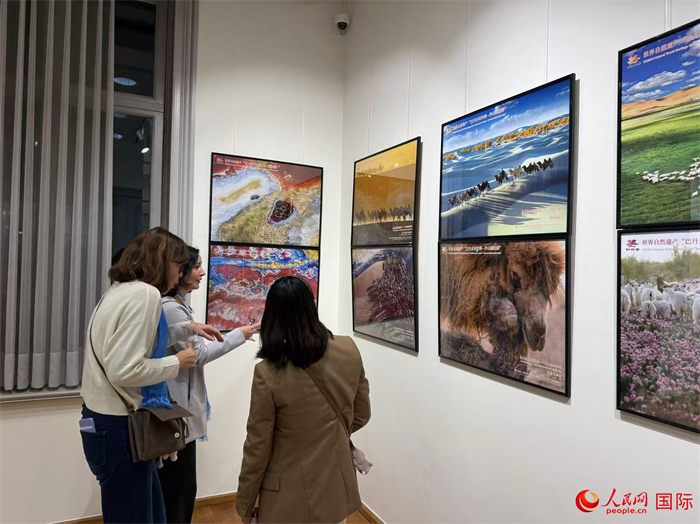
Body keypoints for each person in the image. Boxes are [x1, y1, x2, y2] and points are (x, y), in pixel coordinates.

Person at [80, 227, 224, 524]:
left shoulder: (119, 289)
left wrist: (187, 328)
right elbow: (124, 369)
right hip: (120, 429)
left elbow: (134, 342)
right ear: (162, 262)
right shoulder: (145, 294)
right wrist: (177, 362)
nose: (180, 273)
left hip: (101, 422)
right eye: (179, 266)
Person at [236, 276, 371, 524]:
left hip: (289, 497)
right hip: (336, 489)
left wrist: (245, 504)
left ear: (272, 316)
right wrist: (328, 435)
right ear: (310, 307)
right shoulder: (348, 348)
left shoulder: (267, 373)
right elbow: (362, 413)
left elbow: (258, 447)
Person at [158, 247, 260, 524]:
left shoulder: (177, 305)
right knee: (179, 492)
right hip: (176, 416)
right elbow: (199, 354)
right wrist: (238, 335)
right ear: (179, 271)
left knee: (180, 490)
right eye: (196, 267)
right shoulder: (171, 308)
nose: (203, 272)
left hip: (179, 412)